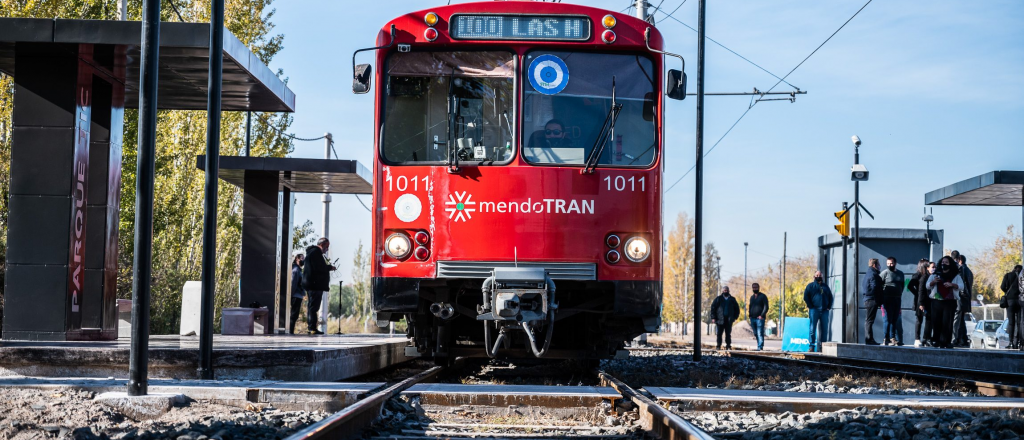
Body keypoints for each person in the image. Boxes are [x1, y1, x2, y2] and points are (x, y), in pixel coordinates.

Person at [301, 237, 336, 335]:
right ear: (323, 245)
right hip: (315, 285)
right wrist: (330, 267)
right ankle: (312, 328)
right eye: (327, 247)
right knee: (313, 307)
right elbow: (319, 268)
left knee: (312, 306)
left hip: (312, 284)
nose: (327, 249)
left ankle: (311, 327)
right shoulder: (316, 253)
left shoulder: (311, 252)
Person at [927, 256, 964, 348]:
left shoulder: (956, 275)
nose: (944, 264)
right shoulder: (935, 274)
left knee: (947, 322)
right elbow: (927, 286)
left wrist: (952, 284)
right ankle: (936, 340)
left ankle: (946, 341)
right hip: (937, 301)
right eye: (943, 262)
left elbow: (961, 286)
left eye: (946, 262)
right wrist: (933, 282)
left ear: (950, 264)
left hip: (949, 302)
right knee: (936, 322)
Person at [803, 270, 834, 353]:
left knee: (824, 329)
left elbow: (831, 297)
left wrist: (829, 307)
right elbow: (806, 297)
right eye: (817, 275)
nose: (818, 276)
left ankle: (822, 347)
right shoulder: (810, 286)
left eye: (820, 275)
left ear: (822, 277)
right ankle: (811, 347)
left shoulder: (825, 287)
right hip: (814, 310)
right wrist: (811, 306)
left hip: (824, 311)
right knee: (812, 329)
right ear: (814, 276)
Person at [879, 257, 906, 346]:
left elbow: (902, 285)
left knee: (894, 319)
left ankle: (892, 338)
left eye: (891, 263)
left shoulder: (900, 274)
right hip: (887, 299)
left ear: (895, 263)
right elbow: (879, 285)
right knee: (887, 319)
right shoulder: (884, 273)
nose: (889, 265)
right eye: (888, 263)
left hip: (897, 298)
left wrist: (899, 293)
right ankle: (885, 338)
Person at [951, 253, 974, 347]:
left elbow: (962, 284)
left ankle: (956, 339)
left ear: (959, 260)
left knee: (957, 318)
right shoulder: (969, 271)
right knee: (960, 320)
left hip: (960, 296)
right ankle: (963, 339)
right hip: (965, 298)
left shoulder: (961, 269)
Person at [907, 259, 930, 347]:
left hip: (928, 300)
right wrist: (917, 294)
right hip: (919, 301)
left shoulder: (928, 275)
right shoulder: (917, 275)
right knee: (919, 320)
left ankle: (926, 338)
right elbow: (910, 285)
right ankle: (917, 339)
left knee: (928, 319)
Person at [861, 258, 883, 345]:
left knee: (869, 320)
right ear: (874, 265)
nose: (879, 266)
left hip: (868, 299)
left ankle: (869, 339)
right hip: (872, 300)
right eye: (878, 264)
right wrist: (878, 299)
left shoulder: (868, 274)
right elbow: (875, 288)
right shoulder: (873, 275)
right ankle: (869, 339)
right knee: (869, 320)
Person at [1000, 265, 1023, 349]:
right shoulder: (1022, 277)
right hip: (1020, 300)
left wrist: (1008, 293)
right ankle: (1019, 342)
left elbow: (1002, 287)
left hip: (1010, 301)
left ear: (1014, 268)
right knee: (1020, 322)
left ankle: (1011, 342)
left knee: (1011, 322)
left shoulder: (1008, 275)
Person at [748, 283, 769, 351]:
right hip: (752, 318)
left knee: (760, 333)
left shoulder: (763, 296)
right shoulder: (752, 297)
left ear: (758, 287)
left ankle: (760, 347)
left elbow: (766, 307)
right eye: (753, 287)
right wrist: (750, 315)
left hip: (760, 318)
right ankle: (758, 344)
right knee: (755, 333)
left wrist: (762, 315)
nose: (754, 289)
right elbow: (750, 306)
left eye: (756, 287)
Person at [288, 253, 306, 334]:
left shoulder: (298, 269)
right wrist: (290, 295)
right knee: (294, 315)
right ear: (297, 259)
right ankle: (290, 331)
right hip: (295, 295)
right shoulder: (295, 270)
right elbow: (293, 283)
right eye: (302, 258)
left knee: (295, 315)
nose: (303, 260)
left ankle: (291, 330)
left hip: (298, 295)